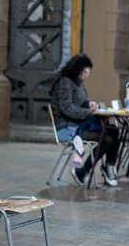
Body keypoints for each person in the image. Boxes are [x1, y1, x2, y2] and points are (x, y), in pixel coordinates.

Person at [50, 53, 120, 187]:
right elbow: (67, 108)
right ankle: (83, 171)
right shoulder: (64, 83)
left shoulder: (78, 83)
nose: (87, 75)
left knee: (114, 131)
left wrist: (91, 103)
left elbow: (82, 102)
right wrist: (89, 113)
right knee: (107, 138)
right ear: (78, 69)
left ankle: (109, 166)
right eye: (86, 72)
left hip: (78, 124)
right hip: (67, 128)